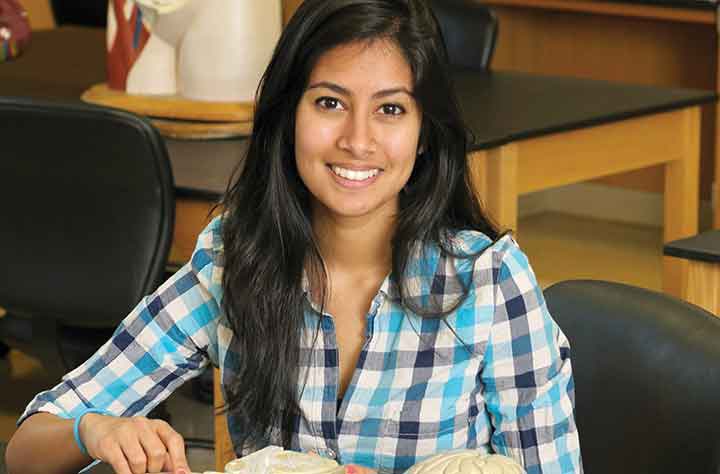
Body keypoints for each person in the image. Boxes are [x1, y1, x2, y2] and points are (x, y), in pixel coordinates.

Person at [6, 1, 582, 473]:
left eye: (390, 109)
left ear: (425, 134)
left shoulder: (489, 284)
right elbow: (26, 448)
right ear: (288, 117)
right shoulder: (233, 265)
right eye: (330, 102)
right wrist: (94, 429)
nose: (358, 140)